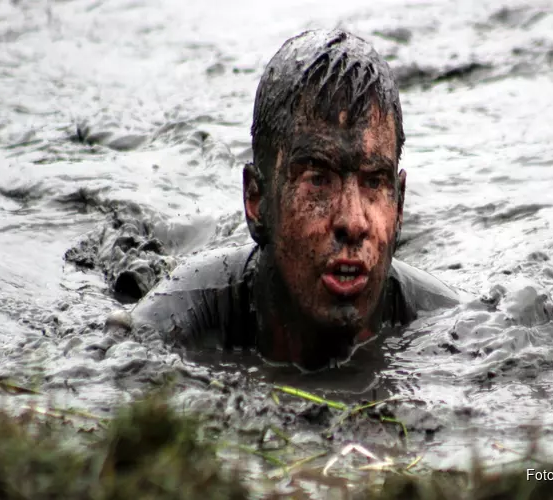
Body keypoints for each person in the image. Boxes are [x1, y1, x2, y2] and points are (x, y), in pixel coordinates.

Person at [114, 29, 463, 371]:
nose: (354, 222)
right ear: (256, 201)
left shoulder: (445, 322)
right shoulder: (185, 312)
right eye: (318, 180)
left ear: (399, 206)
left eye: (374, 182)